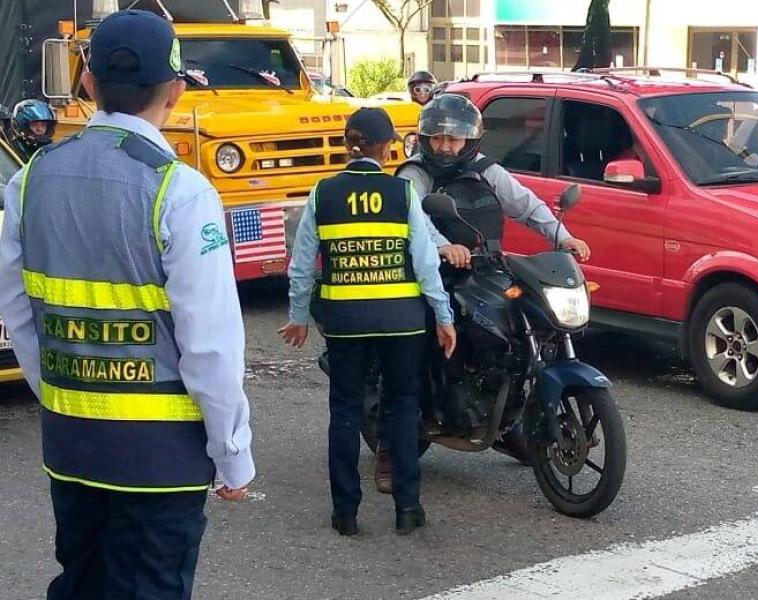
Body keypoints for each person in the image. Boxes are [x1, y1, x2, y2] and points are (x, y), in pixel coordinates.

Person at [0, 10, 254, 598]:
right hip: (161, 462)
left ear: (87, 84)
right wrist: (232, 453)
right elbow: (210, 342)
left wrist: (61, 394)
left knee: (81, 582)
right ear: (177, 88)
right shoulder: (180, 190)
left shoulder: (30, 179)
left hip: (72, 446)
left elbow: (19, 312)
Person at [279, 106, 456, 536]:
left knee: (343, 410)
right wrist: (443, 316)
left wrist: (299, 316)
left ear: (346, 144)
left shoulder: (323, 193)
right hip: (402, 320)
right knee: (402, 407)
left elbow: (302, 266)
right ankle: (408, 509)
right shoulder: (401, 193)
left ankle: (346, 513)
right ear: (387, 146)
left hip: (345, 321)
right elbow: (426, 261)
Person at [396, 93, 591, 465]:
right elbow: (413, 219)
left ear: (469, 141)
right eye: (437, 138)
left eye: (453, 139)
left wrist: (561, 237)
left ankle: (507, 420)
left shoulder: (485, 170)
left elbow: (526, 204)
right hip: (430, 274)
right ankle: (396, 437)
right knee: (420, 343)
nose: (445, 146)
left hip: (483, 268)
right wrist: (443, 246)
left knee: (517, 330)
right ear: (425, 139)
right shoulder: (415, 173)